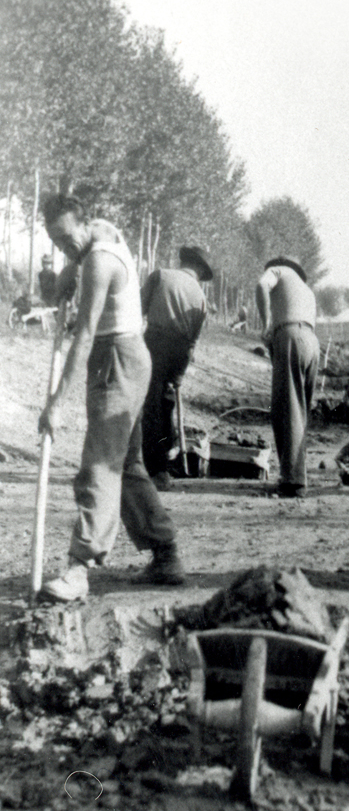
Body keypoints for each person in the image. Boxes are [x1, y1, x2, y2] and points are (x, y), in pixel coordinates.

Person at [37, 194, 185, 602]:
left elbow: (84, 334)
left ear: (83, 223)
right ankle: (166, 553)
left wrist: (56, 403)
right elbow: (81, 251)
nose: (63, 247)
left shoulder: (99, 262)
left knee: (99, 465)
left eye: (66, 238)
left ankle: (79, 568)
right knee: (127, 465)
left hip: (115, 358)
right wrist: (69, 266)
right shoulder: (100, 232)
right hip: (129, 356)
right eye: (55, 241)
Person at [140, 245, 212, 487]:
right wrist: (179, 373)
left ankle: (155, 469)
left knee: (150, 405)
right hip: (179, 351)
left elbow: (137, 309)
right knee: (165, 404)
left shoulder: (160, 275)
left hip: (155, 343)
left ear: (184, 262)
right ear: (199, 269)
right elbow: (193, 342)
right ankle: (163, 462)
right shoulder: (201, 297)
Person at [255, 257, 320, 497]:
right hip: (312, 342)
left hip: (290, 336)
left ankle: (293, 482)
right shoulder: (306, 290)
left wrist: (266, 325)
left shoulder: (278, 271)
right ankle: (296, 475)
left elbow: (261, 285)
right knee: (299, 411)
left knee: (286, 409)